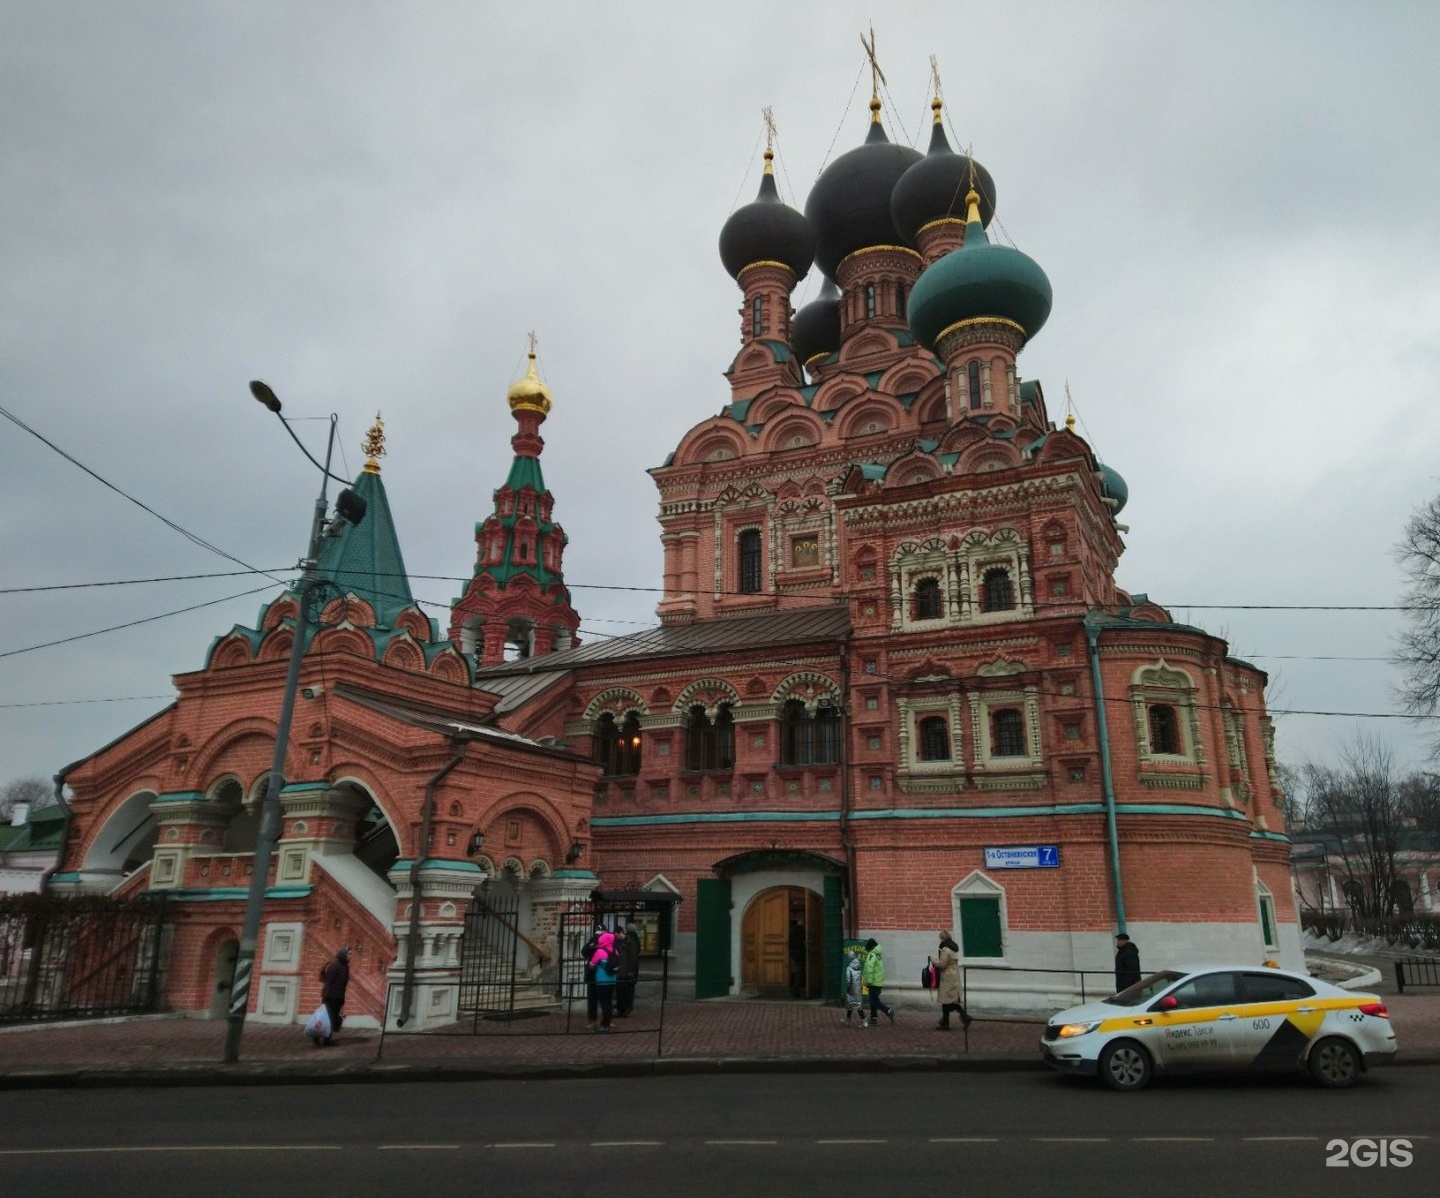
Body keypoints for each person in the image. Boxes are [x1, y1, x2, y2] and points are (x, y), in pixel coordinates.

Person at [930, 931, 971, 1031]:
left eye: (940, 938)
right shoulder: (953, 949)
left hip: (947, 977)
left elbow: (942, 964)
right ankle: (948, 1021)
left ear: (943, 939)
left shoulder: (945, 950)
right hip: (954, 975)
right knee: (950, 1001)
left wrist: (933, 960)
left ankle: (952, 1021)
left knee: (947, 1000)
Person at [317, 946, 349, 1047]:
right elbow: (328, 982)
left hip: (337, 996)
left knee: (332, 1018)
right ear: (343, 955)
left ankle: (326, 1039)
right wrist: (327, 995)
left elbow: (343, 985)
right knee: (329, 1018)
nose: (351, 956)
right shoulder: (335, 966)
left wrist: (342, 999)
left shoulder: (344, 967)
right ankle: (321, 1037)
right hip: (331, 996)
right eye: (349, 954)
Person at [860, 936, 894, 1027]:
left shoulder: (871, 956)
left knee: (875, 1001)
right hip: (878, 982)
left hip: (873, 983)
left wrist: (868, 982)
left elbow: (869, 970)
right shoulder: (878, 955)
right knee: (873, 1001)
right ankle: (873, 1018)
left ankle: (888, 1011)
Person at [590, 930, 620, 1031]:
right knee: (609, 1001)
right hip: (612, 979)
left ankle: (605, 1024)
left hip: (601, 980)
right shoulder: (615, 951)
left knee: (604, 1003)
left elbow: (592, 965)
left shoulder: (599, 952)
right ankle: (608, 1021)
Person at [581, 922, 605, 1030]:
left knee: (606, 999)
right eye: (597, 934)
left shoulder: (608, 943)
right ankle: (592, 1020)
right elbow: (584, 952)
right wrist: (593, 946)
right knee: (592, 999)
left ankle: (607, 1020)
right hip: (593, 974)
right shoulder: (592, 941)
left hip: (604, 973)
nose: (598, 936)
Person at [615, 923, 641, 1017]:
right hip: (624, 971)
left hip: (627, 971)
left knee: (626, 991)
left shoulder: (630, 942)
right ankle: (623, 1009)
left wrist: (630, 971)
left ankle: (624, 1009)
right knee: (624, 991)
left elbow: (632, 958)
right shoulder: (630, 941)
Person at [840, 950, 864, 1026]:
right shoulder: (858, 965)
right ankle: (847, 1020)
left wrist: (847, 989)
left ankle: (863, 1020)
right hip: (858, 988)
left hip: (851, 989)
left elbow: (848, 980)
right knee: (854, 1004)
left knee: (852, 1004)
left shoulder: (849, 968)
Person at [789, 917, 806, 997]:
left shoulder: (793, 930)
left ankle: (795, 989)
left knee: (798, 971)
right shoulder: (801, 930)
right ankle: (795, 990)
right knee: (799, 972)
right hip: (800, 953)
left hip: (794, 953)